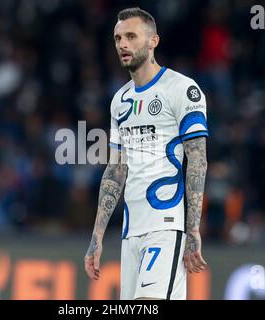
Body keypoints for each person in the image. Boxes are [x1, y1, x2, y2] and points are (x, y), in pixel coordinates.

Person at [84, 7, 209, 300]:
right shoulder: (120, 100)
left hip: (166, 226)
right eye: (117, 38)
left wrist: (193, 229)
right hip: (131, 232)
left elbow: (198, 160)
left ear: (153, 41)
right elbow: (116, 170)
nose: (122, 44)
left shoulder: (182, 89)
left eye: (130, 36)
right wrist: (97, 237)